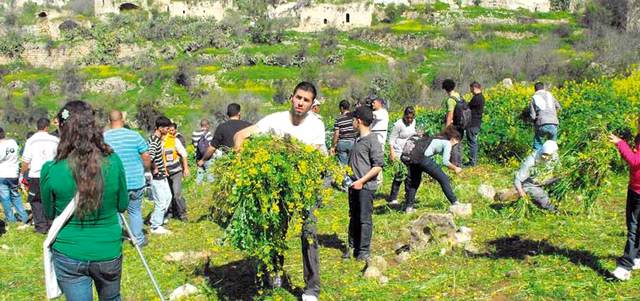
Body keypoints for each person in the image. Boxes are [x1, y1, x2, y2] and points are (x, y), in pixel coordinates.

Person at [234, 81, 325, 301]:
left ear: (312, 104)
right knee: (276, 230)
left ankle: (311, 289)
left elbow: (314, 157)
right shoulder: (274, 120)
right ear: (291, 97)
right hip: (279, 189)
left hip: (305, 187)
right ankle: (275, 272)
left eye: (306, 100)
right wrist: (241, 164)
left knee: (309, 233)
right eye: (298, 97)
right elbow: (240, 136)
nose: (301, 103)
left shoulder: (316, 125)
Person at [41, 100, 128, 300]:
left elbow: (49, 213)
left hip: (69, 250)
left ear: (63, 130)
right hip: (107, 248)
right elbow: (122, 205)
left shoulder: (51, 170)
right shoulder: (113, 163)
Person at [104, 110, 151, 246]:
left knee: (116, 212)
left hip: (115, 183)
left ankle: (116, 240)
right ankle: (138, 240)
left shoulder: (104, 138)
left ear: (109, 121)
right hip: (136, 181)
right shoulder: (134, 136)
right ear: (123, 120)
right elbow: (146, 156)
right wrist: (146, 170)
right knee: (135, 211)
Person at [344, 106, 384, 261]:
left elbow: (378, 166)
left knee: (364, 218)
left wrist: (361, 181)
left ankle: (364, 251)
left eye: (354, 119)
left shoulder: (372, 140)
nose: (352, 122)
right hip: (353, 185)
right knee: (353, 216)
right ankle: (352, 246)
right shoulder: (357, 138)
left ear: (358, 121)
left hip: (365, 187)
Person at [404, 126, 463, 213]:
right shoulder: (447, 143)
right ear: (454, 139)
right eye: (457, 143)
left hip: (414, 158)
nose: (455, 145)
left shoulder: (437, 138)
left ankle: (409, 207)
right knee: (444, 179)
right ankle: (455, 202)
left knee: (414, 183)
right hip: (423, 159)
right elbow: (445, 162)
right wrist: (456, 168)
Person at [609, 132, 640, 280]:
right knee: (633, 225)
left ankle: (625, 267)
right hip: (634, 188)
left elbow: (634, 161)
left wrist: (620, 143)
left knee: (633, 230)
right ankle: (638, 257)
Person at [21, 117, 59, 234]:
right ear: (47, 127)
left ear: (37, 127)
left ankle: (41, 227)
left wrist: (22, 174)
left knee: (36, 201)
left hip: (36, 175)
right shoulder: (55, 140)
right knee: (51, 199)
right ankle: (52, 224)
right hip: (51, 175)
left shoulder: (31, 141)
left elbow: (26, 161)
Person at [514, 140, 560, 213]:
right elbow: (517, 179)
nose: (544, 157)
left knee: (560, 182)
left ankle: (556, 201)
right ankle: (553, 210)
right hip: (531, 184)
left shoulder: (555, 156)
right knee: (543, 198)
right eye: (543, 154)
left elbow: (558, 170)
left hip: (545, 180)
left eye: (547, 155)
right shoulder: (531, 161)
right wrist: (521, 192)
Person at [147, 116, 173, 234]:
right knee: (161, 201)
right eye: (166, 127)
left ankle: (156, 219)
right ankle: (155, 226)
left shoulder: (157, 140)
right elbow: (150, 157)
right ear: (160, 128)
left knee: (168, 197)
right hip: (157, 176)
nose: (168, 130)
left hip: (162, 174)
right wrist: (155, 168)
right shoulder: (154, 140)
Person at [387, 106, 417, 204]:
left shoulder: (413, 122)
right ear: (404, 116)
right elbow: (391, 139)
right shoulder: (398, 124)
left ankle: (408, 195)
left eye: (411, 118)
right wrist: (392, 152)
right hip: (398, 151)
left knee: (409, 175)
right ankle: (393, 197)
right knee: (400, 174)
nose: (409, 120)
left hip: (409, 151)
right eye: (407, 118)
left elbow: (413, 134)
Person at [0, 127, 29, 225]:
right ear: (3, 133)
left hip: (2, 174)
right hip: (14, 174)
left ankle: (11, 219)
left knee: (5, 198)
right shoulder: (13, 142)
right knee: (15, 195)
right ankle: (24, 216)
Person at [164, 121, 190, 222]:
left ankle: (182, 214)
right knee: (168, 195)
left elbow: (184, 154)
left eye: (171, 130)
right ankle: (170, 212)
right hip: (165, 173)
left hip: (176, 172)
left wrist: (186, 168)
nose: (169, 131)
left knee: (177, 194)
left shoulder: (175, 140)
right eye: (168, 129)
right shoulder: (160, 142)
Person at [529, 82, 561, 152]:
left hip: (541, 124)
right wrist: (553, 115)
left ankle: (536, 161)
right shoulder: (550, 95)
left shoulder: (534, 97)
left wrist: (532, 123)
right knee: (552, 146)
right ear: (543, 88)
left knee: (538, 145)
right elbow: (558, 107)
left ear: (535, 89)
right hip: (554, 123)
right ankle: (553, 162)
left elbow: (533, 116)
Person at [441, 79, 464, 167]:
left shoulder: (450, 100)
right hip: (461, 124)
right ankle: (459, 164)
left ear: (445, 89)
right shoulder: (458, 95)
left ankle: (455, 165)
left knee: (452, 145)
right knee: (458, 144)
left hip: (454, 126)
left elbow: (450, 115)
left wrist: (447, 128)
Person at [330, 100, 357, 165]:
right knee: (352, 164)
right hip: (352, 142)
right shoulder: (353, 117)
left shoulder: (338, 119)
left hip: (342, 143)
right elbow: (356, 128)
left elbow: (336, 134)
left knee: (343, 166)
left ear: (342, 108)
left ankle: (344, 175)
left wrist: (333, 146)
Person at [465, 81, 484, 167]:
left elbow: (467, 106)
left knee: (472, 143)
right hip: (477, 123)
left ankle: (472, 162)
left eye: (471, 89)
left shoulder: (477, 98)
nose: (470, 91)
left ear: (474, 88)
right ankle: (473, 161)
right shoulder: (482, 97)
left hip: (472, 124)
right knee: (473, 142)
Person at [192, 119, 214, 184]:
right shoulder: (208, 133)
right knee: (210, 177)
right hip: (207, 158)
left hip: (198, 157)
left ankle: (197, 191)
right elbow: (211, 146)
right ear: (207, 125)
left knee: (199, 176)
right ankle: (209, 191)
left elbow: (194, 145)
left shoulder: (194, 133)